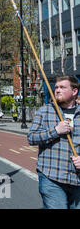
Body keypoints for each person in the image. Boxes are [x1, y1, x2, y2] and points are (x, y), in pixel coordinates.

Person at [27, 75, 80, 209]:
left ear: (74, 91)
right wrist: (56, 131)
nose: (57, 90)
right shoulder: (45, 111)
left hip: (77, 179)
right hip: (51, 176)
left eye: (62, 87)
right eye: (56, 87)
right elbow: (31, 138)